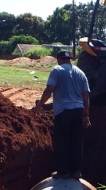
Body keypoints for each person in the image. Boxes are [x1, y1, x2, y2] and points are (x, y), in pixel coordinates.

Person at [33, 50, 91, 179]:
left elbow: (49, 90)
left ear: (59, 59)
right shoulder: (81, 73)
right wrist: (86, 115)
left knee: (62, 141)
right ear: (70, 59)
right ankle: (76, 172)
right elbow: (86, 96)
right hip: (78, 110)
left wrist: (39, 106)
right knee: (76, 142)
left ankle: (63, 172)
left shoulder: (57, 70)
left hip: (63, 111)